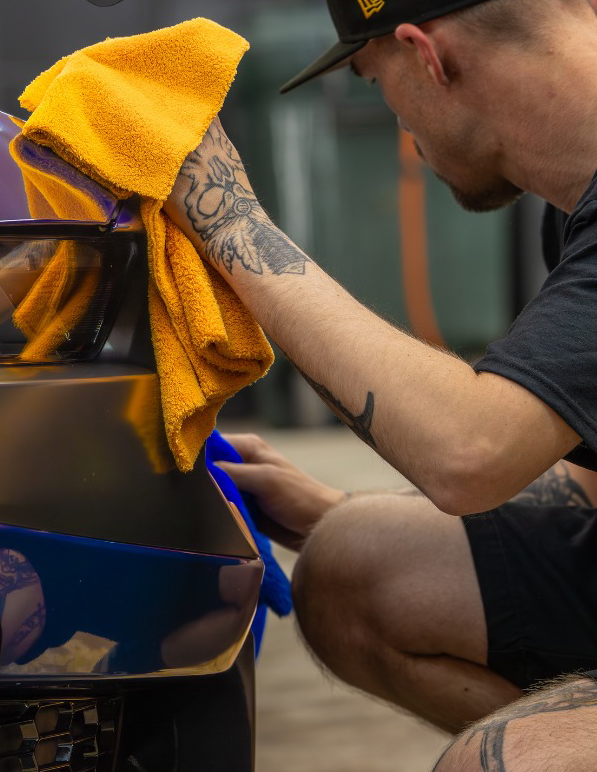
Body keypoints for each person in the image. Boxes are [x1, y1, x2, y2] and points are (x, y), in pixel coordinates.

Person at [161, 0, 597, 768]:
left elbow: (473, 451)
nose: (394, 116)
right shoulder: (573, 206)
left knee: (504, 760)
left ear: (425, 55)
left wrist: (224, 215)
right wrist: (340, 513)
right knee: (352, 563)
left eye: (372, 80)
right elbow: (584, 479)